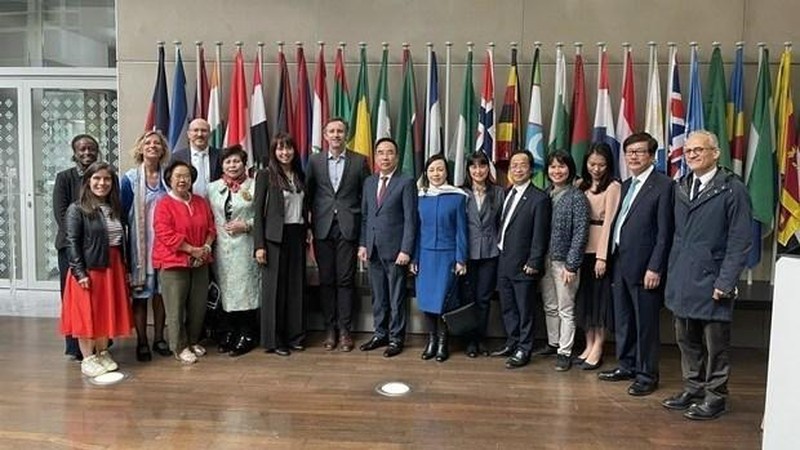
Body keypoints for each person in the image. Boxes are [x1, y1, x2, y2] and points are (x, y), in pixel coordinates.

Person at [661, 130, 751, 421]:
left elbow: (740, 241)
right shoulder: (681, 186)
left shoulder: (732, 189)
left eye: (699, 150)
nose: (693, 155)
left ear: (716, 153)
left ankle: (716, 396)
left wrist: (725, 282)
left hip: (713, 281)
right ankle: (694, 387)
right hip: (683, 278)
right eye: (688, 151)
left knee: (716, 346)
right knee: (686, 339)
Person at [599, 132, 674, 396]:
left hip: (645, 268)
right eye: (629, 152)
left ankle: (647, 374)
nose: (633, 156)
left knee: (645, 324)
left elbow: (665, 233)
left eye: (640, 152)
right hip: (620, 261)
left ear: (652, 156)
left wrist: (655, 267)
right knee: (624, 319)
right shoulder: (627, 184)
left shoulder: (664, 185)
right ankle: (627, 364)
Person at [60, 161, 133, 377]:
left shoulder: (114, 207)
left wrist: (125, 267)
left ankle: (102, 353)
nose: (102, 183)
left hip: (113, 267)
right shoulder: (77, 208)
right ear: (88, 181)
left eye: (107, 179)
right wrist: (79, 273)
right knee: (87, 314)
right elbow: (71, 242)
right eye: (97, 179)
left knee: (105, 312)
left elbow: (120, 240)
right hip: (90, 269)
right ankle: (88, 358)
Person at [306, 118, 370, 352]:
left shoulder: (359, 161)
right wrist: (307, 229)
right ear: (324, 135)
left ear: (346, 135)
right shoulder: (314, 161)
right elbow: (308, 195)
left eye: (340, 131)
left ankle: (345, 330)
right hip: (322, 228)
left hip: (348, 227)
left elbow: (366, 199)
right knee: (327, 281)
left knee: (345, 280)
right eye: (331, 131)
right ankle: (329, 329)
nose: (335, 135)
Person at [491, 151, 551, 369]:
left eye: (522, 165)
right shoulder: (508, 193)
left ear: (531, 169)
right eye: (514, 165)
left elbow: (540, 233)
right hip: (504, 261)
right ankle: (512, 342)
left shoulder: (539, 198)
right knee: (508, 307)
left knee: (525, 309)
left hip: (524, 264)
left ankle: (524, 349)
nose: (517, 169)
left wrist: (534, 261)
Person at [358, 138, 417, 358]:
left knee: (396, 298)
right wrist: (363, 243)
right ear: (375, 156)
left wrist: (406, 250)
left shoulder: (406, 182)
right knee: (379, 297)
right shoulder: (369, 182)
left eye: (389, 152)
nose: (385, 157)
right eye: (381, 152)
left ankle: (396, 338)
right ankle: (379, 333)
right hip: (372, 249)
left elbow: (411, 220)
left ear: (397, 156)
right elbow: (365, 217)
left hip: (396, 251)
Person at [152, 160, 216, 364]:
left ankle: (193, 340)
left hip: (201, 261)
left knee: (198, 306)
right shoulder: (164, 204)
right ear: (169, 179)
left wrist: (205, 248)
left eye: (186, 176)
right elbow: (164, 233)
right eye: (178, 176)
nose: (182, 180)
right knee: (175, 308)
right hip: (174, 263)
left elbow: (211, 228)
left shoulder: (200, 201)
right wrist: (191, 250)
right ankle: (179, 347)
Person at [254, 133, 308, 356]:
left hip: (297, 235)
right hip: (274, 237)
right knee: (274, 291)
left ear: (294, 151)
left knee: (295, 288)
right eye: (280, 149)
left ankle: (295, 336)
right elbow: (257, 213)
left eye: (288, 148)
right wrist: (259, 245)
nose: (284, 153)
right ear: (274, 152)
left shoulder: (299, 175)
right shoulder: (265, 175)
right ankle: (274, 340)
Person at [410, 153, 467, 362]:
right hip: (425, 256)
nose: (436, 173)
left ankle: (443, 343)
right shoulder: (420, 197)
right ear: (426, 173)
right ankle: (431, 340)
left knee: (443, 302)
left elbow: (462, 230)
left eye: (440, 169)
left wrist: (461, 259)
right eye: (432, 169)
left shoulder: (458, 197)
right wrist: (414, 259)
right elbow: (416, 231)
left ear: (446, 172)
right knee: (426, 301)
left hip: (447, 257)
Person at [120, 130, 171, 362]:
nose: (152, 146)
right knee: (140, 296)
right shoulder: (129, 179)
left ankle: (159, 337)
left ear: (162, 150)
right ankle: (142, 341)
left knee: (162, 295)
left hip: (165, 247)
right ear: (140, 148)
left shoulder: (168, 178)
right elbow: (121, 216)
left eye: (157, 143)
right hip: (139, 248)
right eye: (148, 143)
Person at [208, 145, 261, 357]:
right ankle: (229, 331)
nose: (232, 165)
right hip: (221, 248)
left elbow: (266, 216)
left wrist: (247, 225)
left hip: (245, 247)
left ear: (244, 163)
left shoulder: (255, 186)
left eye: (236, 161)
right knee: (225, 291)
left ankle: (247, 333)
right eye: (228, 161)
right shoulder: (213, 188)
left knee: (245, 291)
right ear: (222, 165)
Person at [539, 150, 589, 372]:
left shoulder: (576, 196)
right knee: (549, 304)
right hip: (544, 260)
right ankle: (553, 342)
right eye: (552, 167)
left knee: (565, 308)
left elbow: (581, 232)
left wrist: (572, 264)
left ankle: (565, 351)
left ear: (569, 169)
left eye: (561, 166)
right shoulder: (544, 193)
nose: (556, 171)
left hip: (564, 263)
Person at [53, 134, 100, 361]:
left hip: (98, 249)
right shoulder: (64, 178)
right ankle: (74, 347)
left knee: (97, 298)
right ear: (74, 152)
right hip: (71, 248)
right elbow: (61, 214)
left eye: (91, 148)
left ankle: (100, 343)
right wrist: (80, 242)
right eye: (82, 149)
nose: (87, 152)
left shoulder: (103, 176)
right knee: (73, 299)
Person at [574, 143, 621, 370]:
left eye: (601, 164)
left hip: (600, 250)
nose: (596, 169)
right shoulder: (580, 185)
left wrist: (602, 257)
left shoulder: (613, 187)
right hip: (581, 250)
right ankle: (588, 342)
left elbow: (610, 223)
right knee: (586, 300)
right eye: (592, 164)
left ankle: (599, 346)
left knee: (600, 301)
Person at [462, 151, 505, 358]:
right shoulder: (461, 193)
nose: (478, 171)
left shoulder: (498, 193)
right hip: (467, 253)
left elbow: (502, 224)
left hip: (490, 252)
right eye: (474, 167)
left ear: (488, 168)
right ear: (468, 170)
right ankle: (470, 340)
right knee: (469, 297)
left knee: (484, 298)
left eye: (482, 166)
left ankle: (481, 338)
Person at [172, 118, 222, 198]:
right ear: (188, 134)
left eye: (204, 131)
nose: (199, 134)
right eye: (195, 130)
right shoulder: (176, 157)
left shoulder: (220, 155)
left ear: (209, 134)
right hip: (188, 205)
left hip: (215, 206)